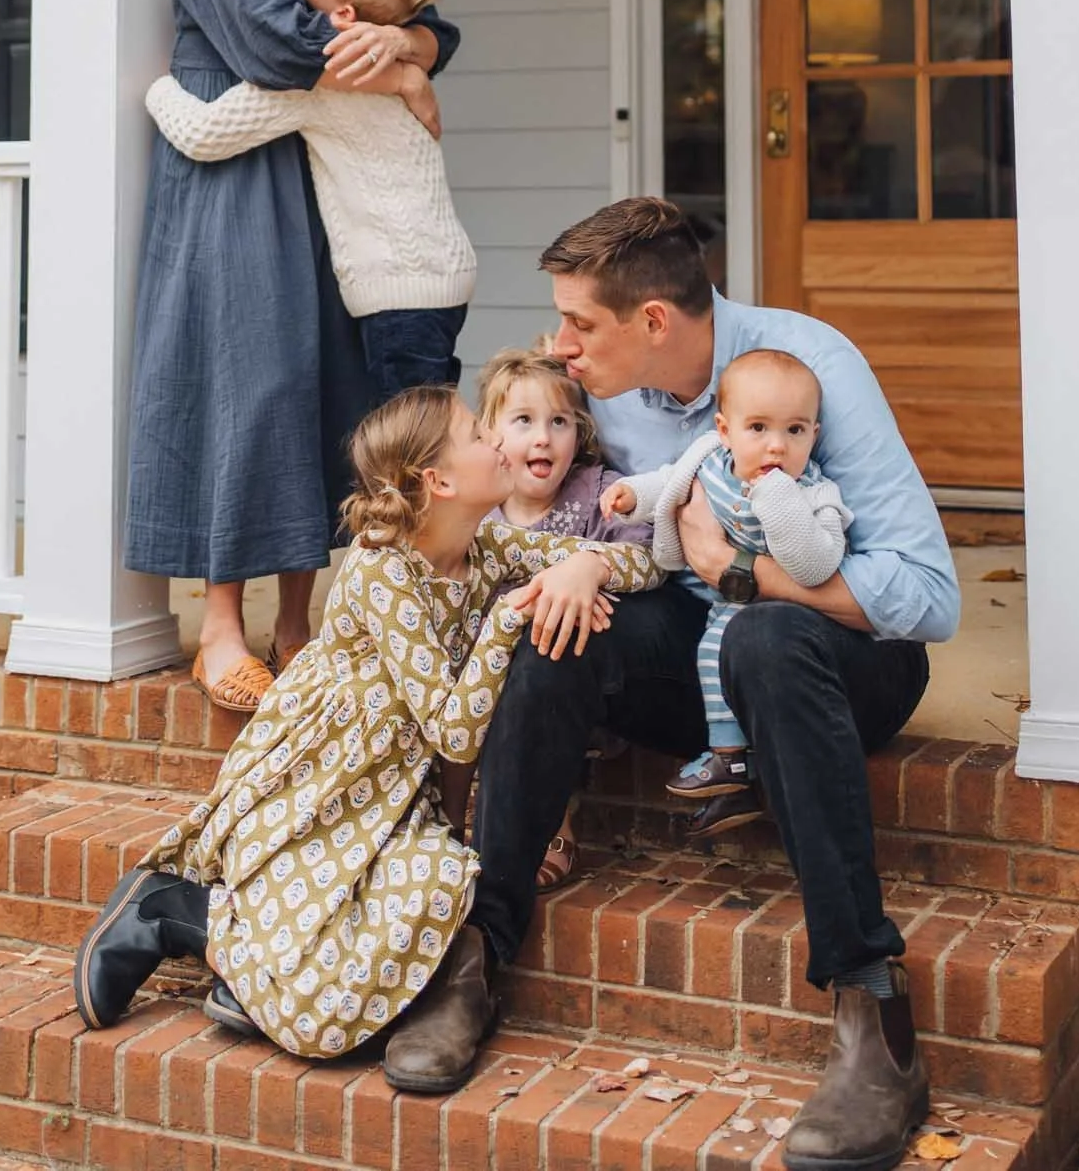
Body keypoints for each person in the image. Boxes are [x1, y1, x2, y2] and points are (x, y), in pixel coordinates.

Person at [384, 197, 958, 1171]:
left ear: (654, 322)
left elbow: (928, 598)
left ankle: (873, 1012)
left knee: (769, 640)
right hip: (700, 655)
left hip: (837, 658)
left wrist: (749, 575)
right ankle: (477, 948)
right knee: (556, 621)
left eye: (581, 323)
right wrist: (585, 566)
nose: (562, 345)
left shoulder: (807, 367)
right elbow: (596, 530)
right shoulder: (601, 392)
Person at [73, 384, 658, 1086]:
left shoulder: (486, 543)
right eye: (480, 434)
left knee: (442, 884)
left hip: (394, 789)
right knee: (333, 923)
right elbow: (452, 731)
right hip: (319, 782)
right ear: (437, 481)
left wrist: (583, 566)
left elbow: (643, 564)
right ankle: (176, 910)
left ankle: (249, 974)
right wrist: (506, 624)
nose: (499, 442)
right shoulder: (383, 567)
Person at [125, 0, 460, 717]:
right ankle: (221, 624)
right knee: (251, 379)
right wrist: (397, 66)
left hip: (328, 167)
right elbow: (270, 38)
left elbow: (438, 20)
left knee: (331, 381)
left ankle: (297, 621)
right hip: (235, 161)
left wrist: (407, 45)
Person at [145, 0, 476, 401]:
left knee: (412, 445)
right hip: (435, 277)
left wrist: (154, 86)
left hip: (401, 291)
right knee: (426, 425)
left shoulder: (321, 78)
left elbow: (204, 134)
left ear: (343, 12)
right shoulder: (385, 64)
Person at [600, 346, 850, 821]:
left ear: (813, 436)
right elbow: (670, 482)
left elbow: (815, 565)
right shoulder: (710, 462)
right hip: (708, 596)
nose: (776, 446)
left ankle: (729, 756)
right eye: (758, 428)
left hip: (773, 615)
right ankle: (735, 781)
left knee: (719, 648)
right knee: (691, 643)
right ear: (724, 431)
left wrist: (777, 496)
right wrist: (635, 495)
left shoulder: (814, 495)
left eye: (794, 431)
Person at [480, 344, 651, 891]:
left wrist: (589, 563)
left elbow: (649, 559)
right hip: (479, 673)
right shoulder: (478, 503)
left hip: (564, 670)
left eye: (559, 422)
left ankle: (557, 815)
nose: (543, 437)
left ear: (578, 433)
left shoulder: (598, 493)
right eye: (524, 420)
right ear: (490, 433)